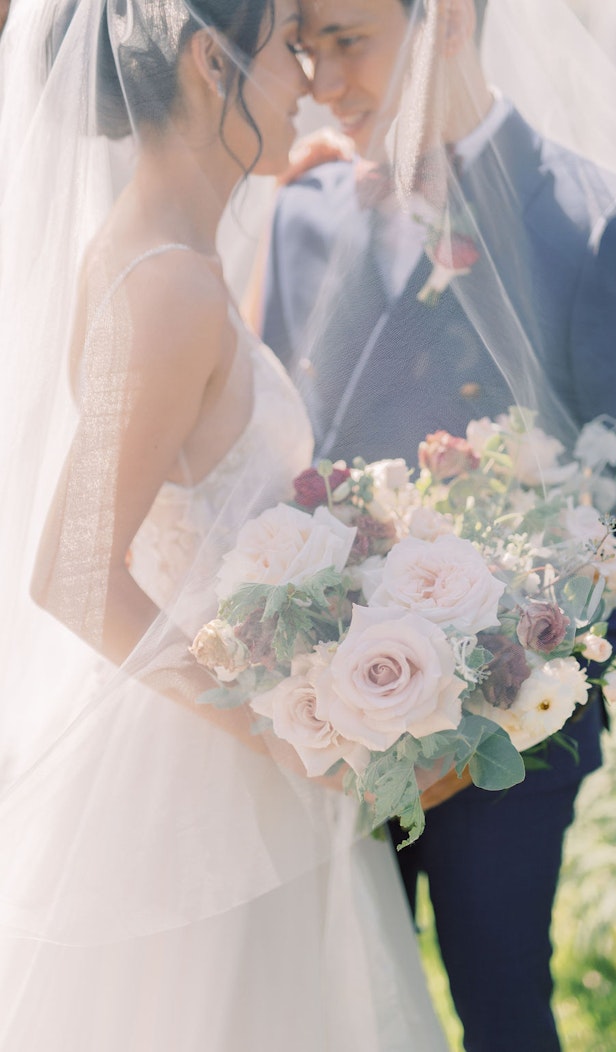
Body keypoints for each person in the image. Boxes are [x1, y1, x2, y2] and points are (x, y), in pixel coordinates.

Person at [0, 1, 449, 1048]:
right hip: (186, 786)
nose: (307, 80)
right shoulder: (163, 285)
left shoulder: (179, 259)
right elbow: (72, 570)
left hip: (228, 747)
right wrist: (294, 740)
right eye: (286, 48)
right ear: (212, 61)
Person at [261, 0, 616, 1049]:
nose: (322, 80)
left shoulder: (604, 227)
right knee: (321, 1009)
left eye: (348, 41)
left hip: (505, 751)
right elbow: (277, 459)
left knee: (499, 1011)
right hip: (315, 732)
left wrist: (483, 712)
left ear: (447, 18)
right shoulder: (302, 209)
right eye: (304, 47)